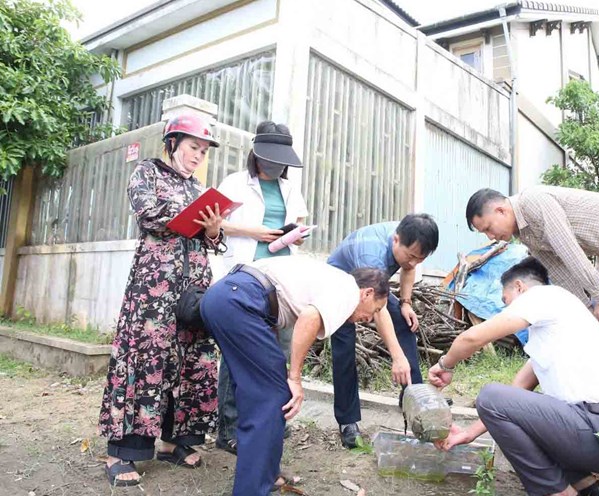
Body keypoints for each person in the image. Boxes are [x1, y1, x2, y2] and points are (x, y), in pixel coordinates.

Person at [429, 256, 599, 496]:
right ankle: (588, 489)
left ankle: (558, 492)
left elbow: (472, 338)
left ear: (520, 287)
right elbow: (514, 397)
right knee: (522, 417)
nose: (507, 310)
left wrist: (446, 364)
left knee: (489, 395)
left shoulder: (544, 296)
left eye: (506, 302)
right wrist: (469, 433)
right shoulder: (560, 329)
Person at [98, 114, 227, 487]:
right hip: (155, 286)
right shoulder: (147, 173)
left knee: (192, 359)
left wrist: (214, 229)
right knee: (147, 356)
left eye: (203, 150)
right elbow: (148, 213)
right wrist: (193, 220)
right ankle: (123, 449)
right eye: (192, 148)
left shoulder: (199, 189)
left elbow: (213, 241)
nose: (197, 156)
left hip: (195, 285)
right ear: (172, 144)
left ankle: (174, 441)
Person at [200, 257, 392, 495]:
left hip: (223, 297)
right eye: (375, 309)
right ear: (368, 293)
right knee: (272, 397)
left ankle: (265, 476)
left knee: (263, 394)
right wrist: (295, 378)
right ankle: (252, 489)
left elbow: (275, 303)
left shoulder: (330, 278)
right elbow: (309, 318)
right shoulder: (349, 291)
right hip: (240, 301)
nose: (370, 318)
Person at [465, 186, 599, 379]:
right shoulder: (524, 235)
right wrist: (587, 307)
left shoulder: (533, 202)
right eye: (485, 233)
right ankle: (594, 394)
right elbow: (558, 270)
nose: (490, 236)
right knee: (594, 322)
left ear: (501, 210)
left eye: (489, 228)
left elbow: (570, 252)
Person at [214, 121, 308, 454]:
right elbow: (215, 223)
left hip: (281, 280)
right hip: (244, 277)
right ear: (256, 155)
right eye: (270, 159)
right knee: (237, 352)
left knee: (278, 353)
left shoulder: (290, 190)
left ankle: (272, 421)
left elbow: (298, 222)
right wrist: (253, 232)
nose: (275, 166)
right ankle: (228, 429)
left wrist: (293, 233)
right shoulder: (235, 183)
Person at [327, 214, 439, 448]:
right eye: (411, 256)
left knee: (406, 322)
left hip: (370, 288)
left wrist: (406, 303)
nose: (413, 263)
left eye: (420, 259)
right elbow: (378, 310)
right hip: (339, 288)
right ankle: (348, 422)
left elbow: (408, 268)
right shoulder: (373, 254)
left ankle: (413, 396)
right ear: (396, 240)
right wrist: (397, 358)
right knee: (345, 348)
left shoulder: (409, 240)